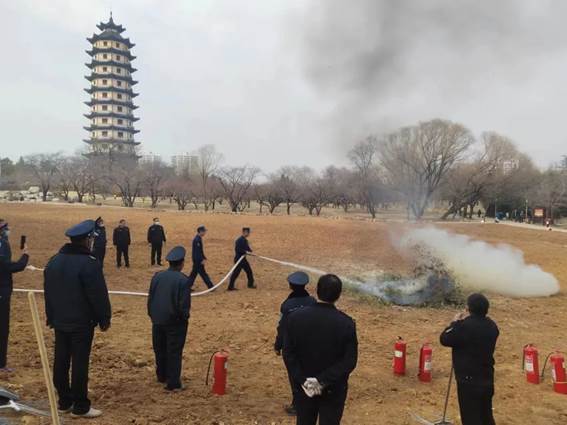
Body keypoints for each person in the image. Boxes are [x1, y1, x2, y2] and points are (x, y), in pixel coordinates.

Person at [44, 220, 111, 418]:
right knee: (80, 363)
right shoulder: (89, 263)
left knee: (61, 360)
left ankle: (64, 401)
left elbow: (48, 292)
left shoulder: (54, 261)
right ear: (87, 240)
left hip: (60, 320)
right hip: (81, 322)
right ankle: (81, 406)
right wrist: (104, 318)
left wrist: (51, 316)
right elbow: (98, 294)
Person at [283, 274, 358, 425]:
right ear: (339, 295)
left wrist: (303, 380)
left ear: (317, 291)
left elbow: (288, 353)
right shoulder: (346, 323)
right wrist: (322, 380)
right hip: (333, 388)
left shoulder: (295, 318)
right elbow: (349, 361)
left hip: (304, 388)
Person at [440, 293, 499, 425]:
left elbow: (444, 339)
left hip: (468, 381)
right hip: (487, 377)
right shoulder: (492, 326)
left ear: (468, 309)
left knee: (471, 418)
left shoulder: (463, 326)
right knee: (486, 416)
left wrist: (455, 322)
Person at [147, 246, 191, 391]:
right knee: (174, 351)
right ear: (181, 263)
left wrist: (153, 315)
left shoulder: (157, 276)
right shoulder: (183, 280)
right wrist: (184, 318)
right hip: (174, 322)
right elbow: (183, 305)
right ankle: (173, 383)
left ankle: (162, 375)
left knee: (159, 348)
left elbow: (151, 298)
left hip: (157, 319)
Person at [275, 271, 317, 416]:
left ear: (290, 286)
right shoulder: (312, 302)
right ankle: (313, 400)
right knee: (311, 372)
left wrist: (278, 345)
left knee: (295, 375)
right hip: (310, 345)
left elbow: (281, 327)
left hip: (292, 347)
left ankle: (297, 406)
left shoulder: (287, 305)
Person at [0, 220, 29, 373]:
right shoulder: (2, 245)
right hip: (2, 292)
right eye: (5, 228)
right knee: (2, 328)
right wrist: (25, 255)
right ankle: (1, 364)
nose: (7, 230)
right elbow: (9, 267)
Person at [189, 225, 214, 289]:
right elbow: (197, 252)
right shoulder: (197, 240)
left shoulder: (198, 238)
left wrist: (204, 257)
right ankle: (211, 286)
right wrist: (201, 260)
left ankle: (187, 286)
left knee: (193, 274)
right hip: (198, 260)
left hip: (196, 259)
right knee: (203, 273)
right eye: (204, 231)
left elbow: (200, 251)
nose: (205, 233)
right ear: (200, 231)